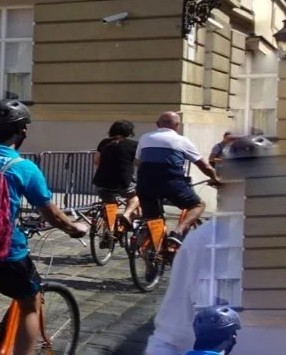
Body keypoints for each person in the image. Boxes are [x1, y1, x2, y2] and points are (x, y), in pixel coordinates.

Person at [0, 100, 89, 355]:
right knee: (30, 303)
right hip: (5, 253)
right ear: (22, 132)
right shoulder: (23, 167)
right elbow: (53, 214)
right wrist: (74, 228)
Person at [144, 135, 276, 355]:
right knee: (196, 206)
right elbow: (169, 334)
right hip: (170, 189)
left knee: (165, 213)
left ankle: (172, 234)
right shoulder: (204, 240)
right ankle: (178, 231)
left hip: (145, 188)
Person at [136, 112, 220, 245]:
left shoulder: (145, 138)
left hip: (145, 183)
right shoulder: (182, 141)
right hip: (171, 183)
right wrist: (216, 178)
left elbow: (138, 161)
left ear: (157, 124)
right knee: (198, 205)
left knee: (152, 218)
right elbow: (204, 166)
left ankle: (150, 249)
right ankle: (178, 231)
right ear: (177, 125)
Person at [92, 119, 140, 225]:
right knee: (135, 196)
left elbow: (96, 160)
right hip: (123, 182)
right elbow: (138, 162)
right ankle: (127, 214)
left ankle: (109, 229)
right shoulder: (133, 145)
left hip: (101, 181)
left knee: (110, 203)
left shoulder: (104, 143)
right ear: (129, 132)